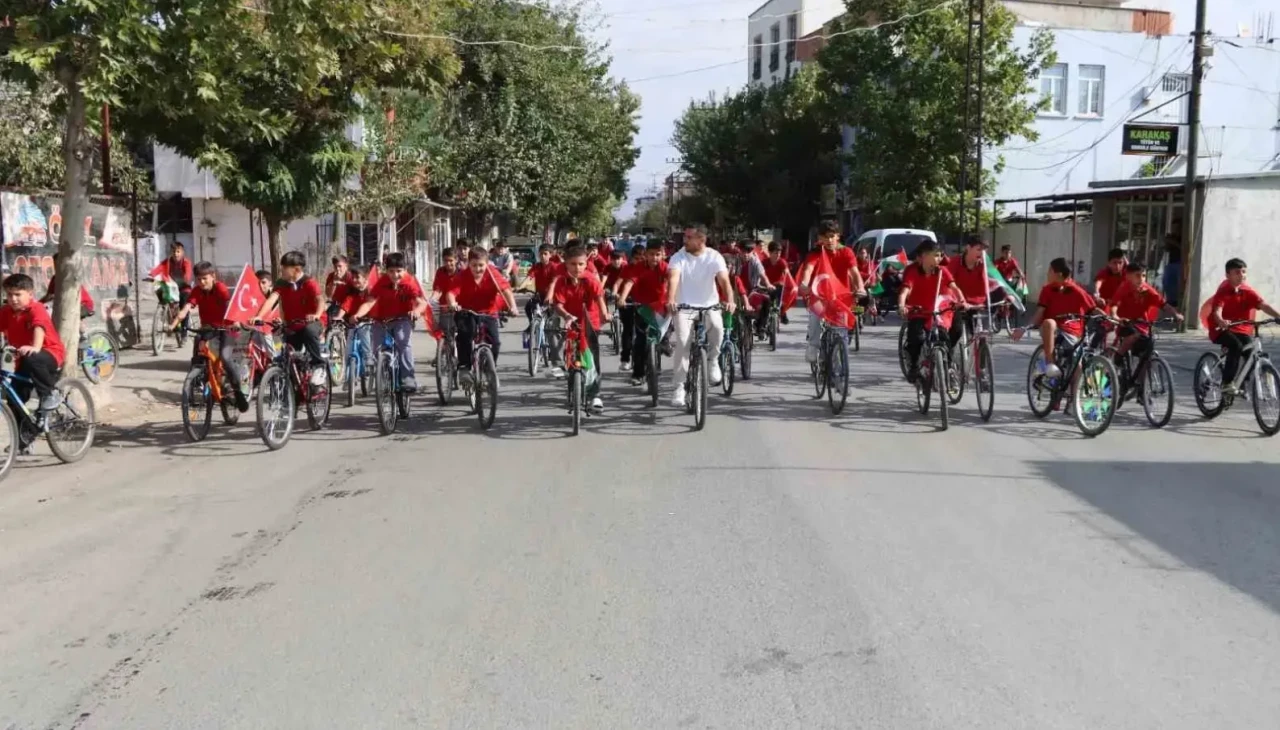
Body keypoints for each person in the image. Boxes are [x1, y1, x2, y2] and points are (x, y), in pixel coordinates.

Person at [666, 224, 735, 406]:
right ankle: (679, 387)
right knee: (682, 341)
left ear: (701, 240)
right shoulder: (678, 256)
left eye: (689, 238)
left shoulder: (714, 256)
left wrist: (730, 300)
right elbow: (673, 278)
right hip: (684, 306)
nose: (684, 240)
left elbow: (724, 281)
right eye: (685, 237)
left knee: (718, 328)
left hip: (709, 305)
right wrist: (671, 299)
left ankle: (713, 360)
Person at [168, 262, 250, 412]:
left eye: (205, 278)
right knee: (198, 355)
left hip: (227, 329)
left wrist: (235, 321)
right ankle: (196, 387)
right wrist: (173, 325)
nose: (202, 282)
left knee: (225, 357)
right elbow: (186, 308)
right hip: (208, 328)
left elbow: (229, 304)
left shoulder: (220, 288)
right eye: (198, 279)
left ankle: (238, 391)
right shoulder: (197, 291)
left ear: (213, 277)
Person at [0, 273, 67, 452]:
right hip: (25, 360)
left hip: (49, 355)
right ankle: (24, 438)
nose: (13, 299)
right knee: (15, 398)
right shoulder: (6, 311)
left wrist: (35, 347)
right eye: (9, 294)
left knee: (33, 357)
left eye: (18, 294)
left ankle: (50, 394)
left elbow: (39, 327)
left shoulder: (36, 308)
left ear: (30, 293)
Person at [1012, 257, 1101, 379]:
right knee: (1049, 322)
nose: (1047, 273)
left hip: (1072, 331)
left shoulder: (1077, 291)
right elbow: (1039, 313)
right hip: (1050, 330)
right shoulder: (1047, 290)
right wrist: (1024, 328)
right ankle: (1049, 364)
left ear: (1058, 274)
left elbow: (1093, 309)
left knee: (1077, 365)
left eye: (1049, 271)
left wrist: (1111, 319)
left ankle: (1074, 397)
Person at [353, 252, 427, 392]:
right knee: (377, 350)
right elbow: (369, 303)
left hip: (402, 319)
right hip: (381, 320)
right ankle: (384, 373)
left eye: (399, 271)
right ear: (386, 271)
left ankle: (408, 377)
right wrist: (358, 314)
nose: (395, 275)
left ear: (405, 270)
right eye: (391, 271)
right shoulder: (382, 282)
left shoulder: (409, 283)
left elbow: (421, 303)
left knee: (402, 342)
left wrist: (416, 311)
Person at [548, 245, 609, 413]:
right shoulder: (561, 281)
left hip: (590, 322)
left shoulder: (590, 279)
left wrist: (605, 313)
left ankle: (595, 395)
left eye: (581, 264)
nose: (577, 268)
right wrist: (566, 315)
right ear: (566, 264)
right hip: (572, 322)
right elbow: (558, 305)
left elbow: (599, 298)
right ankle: (573, 389)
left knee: (592, 358)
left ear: (586, 264)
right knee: (572, 357)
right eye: (573, 264)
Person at [252, 251, 327, 386]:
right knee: (290, 356)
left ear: (296, 269)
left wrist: (316, 314)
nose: (281, 272)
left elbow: (320, 301)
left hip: (312, 322)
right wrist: (259, 316)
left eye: (284, 269)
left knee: (309, 331)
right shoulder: (281, 283)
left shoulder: (309, 283)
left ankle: (319, 366)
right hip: (292, 324)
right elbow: (271, 299)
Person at [1206, 258, 1280, 394]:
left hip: (1241, 329)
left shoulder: (1248, 291)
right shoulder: (1223, 291)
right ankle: (1227, 383)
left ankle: (1241, 383)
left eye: (1244, 272)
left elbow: (1263, 305)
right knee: (1236, 346)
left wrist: (1278, 316)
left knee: (1251, 352)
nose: (1242, 275)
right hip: (1220, 329)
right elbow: (1217, 311)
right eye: (1237, 272)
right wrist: (1221, 320)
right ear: (1228, 275)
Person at [444, 247, 517, 385]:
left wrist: (512, 306)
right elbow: (451, 293)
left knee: (495, 342)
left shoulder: (493, 273)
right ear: (468, 264)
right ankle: (464, 367)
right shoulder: (462, 276)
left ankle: (490, 369)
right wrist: (453, 303)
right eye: (474, 265)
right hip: (466, 311)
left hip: (488, 312)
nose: (477, 269)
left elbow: (506, 290)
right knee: (465, 334)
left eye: (481, 265)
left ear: (487, 263)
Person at [798, 219, 866, 364]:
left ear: (838, 236)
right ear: (820, 239)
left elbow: (855, 274)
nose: (829, 240)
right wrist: (804, 284)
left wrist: (860, 288)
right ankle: (813, 346)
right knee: (815, 319)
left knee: (841, 333)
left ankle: (838, 360)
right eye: (825, 237)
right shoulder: (816, 253)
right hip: (819, 296)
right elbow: (808, 270)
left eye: (831, 236)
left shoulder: (847, 252)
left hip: (840, 298)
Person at [898, 241, 965, 383]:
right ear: (923, 257)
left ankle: (947, 366)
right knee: (916, 339)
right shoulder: (912, 271)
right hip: (919, 311)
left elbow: (954, 288)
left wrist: (961, 300)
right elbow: (905, 291)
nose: (939, 259)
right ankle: (914, 367)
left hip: (938, 312)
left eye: (940, 256)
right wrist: (901, 305)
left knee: (947, 336)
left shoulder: (942, 271)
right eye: (935, 256)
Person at [1109, 262, 1182, 362]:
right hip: (1125, 323)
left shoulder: (1147, 290)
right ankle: (1118, 357)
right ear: (1128, 276)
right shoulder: (1124, 288)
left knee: (1145, 357)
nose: (1142, 279)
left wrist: (1175, 314)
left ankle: (1141, 376)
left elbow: (1163, 304)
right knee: (1133, 335)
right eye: (1138, 275)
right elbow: (1114, 305)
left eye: (1143, 275)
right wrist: (1115, 316)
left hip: (1142, 325)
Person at [618, 244, 669, 387]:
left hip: (661, 306)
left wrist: (672, 299)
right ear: (646, 255)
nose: (655, 257)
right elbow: (629, 283)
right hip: (642, 307)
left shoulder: (666, 267)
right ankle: (638, 374)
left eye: (658, 254)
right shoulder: (639, 267)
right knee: (640, 341)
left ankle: (662, 347)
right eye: (651, 254)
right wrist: (622, 298)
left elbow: (673, 283)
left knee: (665, 330)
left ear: (662, 255)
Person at [945, 235, 1006, 351]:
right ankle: (948, 359)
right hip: (958, 304)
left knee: (983, 336)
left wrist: (1008, 295)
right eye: (979, 249)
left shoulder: (985, 265)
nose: (982, 253)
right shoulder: (955, 262)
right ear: (968, 248)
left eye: (984, 250)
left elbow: (996, 281)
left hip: (977, 305)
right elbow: (947, 284)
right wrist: (957, 301)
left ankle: (982, 367)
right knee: (956, 331)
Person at [150, 241, 194, 325]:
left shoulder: (186, 262)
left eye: (178, 251)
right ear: (171, 252)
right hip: (171, 286)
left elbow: (187, 275)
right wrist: (151, 275)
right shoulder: (168, 261)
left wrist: (184, 279)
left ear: (182, 252)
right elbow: (159, 268)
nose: (176, 254)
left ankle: (184, 332)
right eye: (173, 251)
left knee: (183, 306)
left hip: (184, 287)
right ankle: (165, 310)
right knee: (159, 289)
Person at [762, 242, 790, 325]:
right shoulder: (764, 262)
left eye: (779, 253)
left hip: (779, 285)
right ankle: (762, 324)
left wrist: (786, 273)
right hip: (767, 285)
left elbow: (786, 272)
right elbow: (760, 273)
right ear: (770, 253)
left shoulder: (782, 262)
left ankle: (783, 314)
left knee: (780, 300)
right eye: (775, 253)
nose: (778, 255)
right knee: (765, 303)